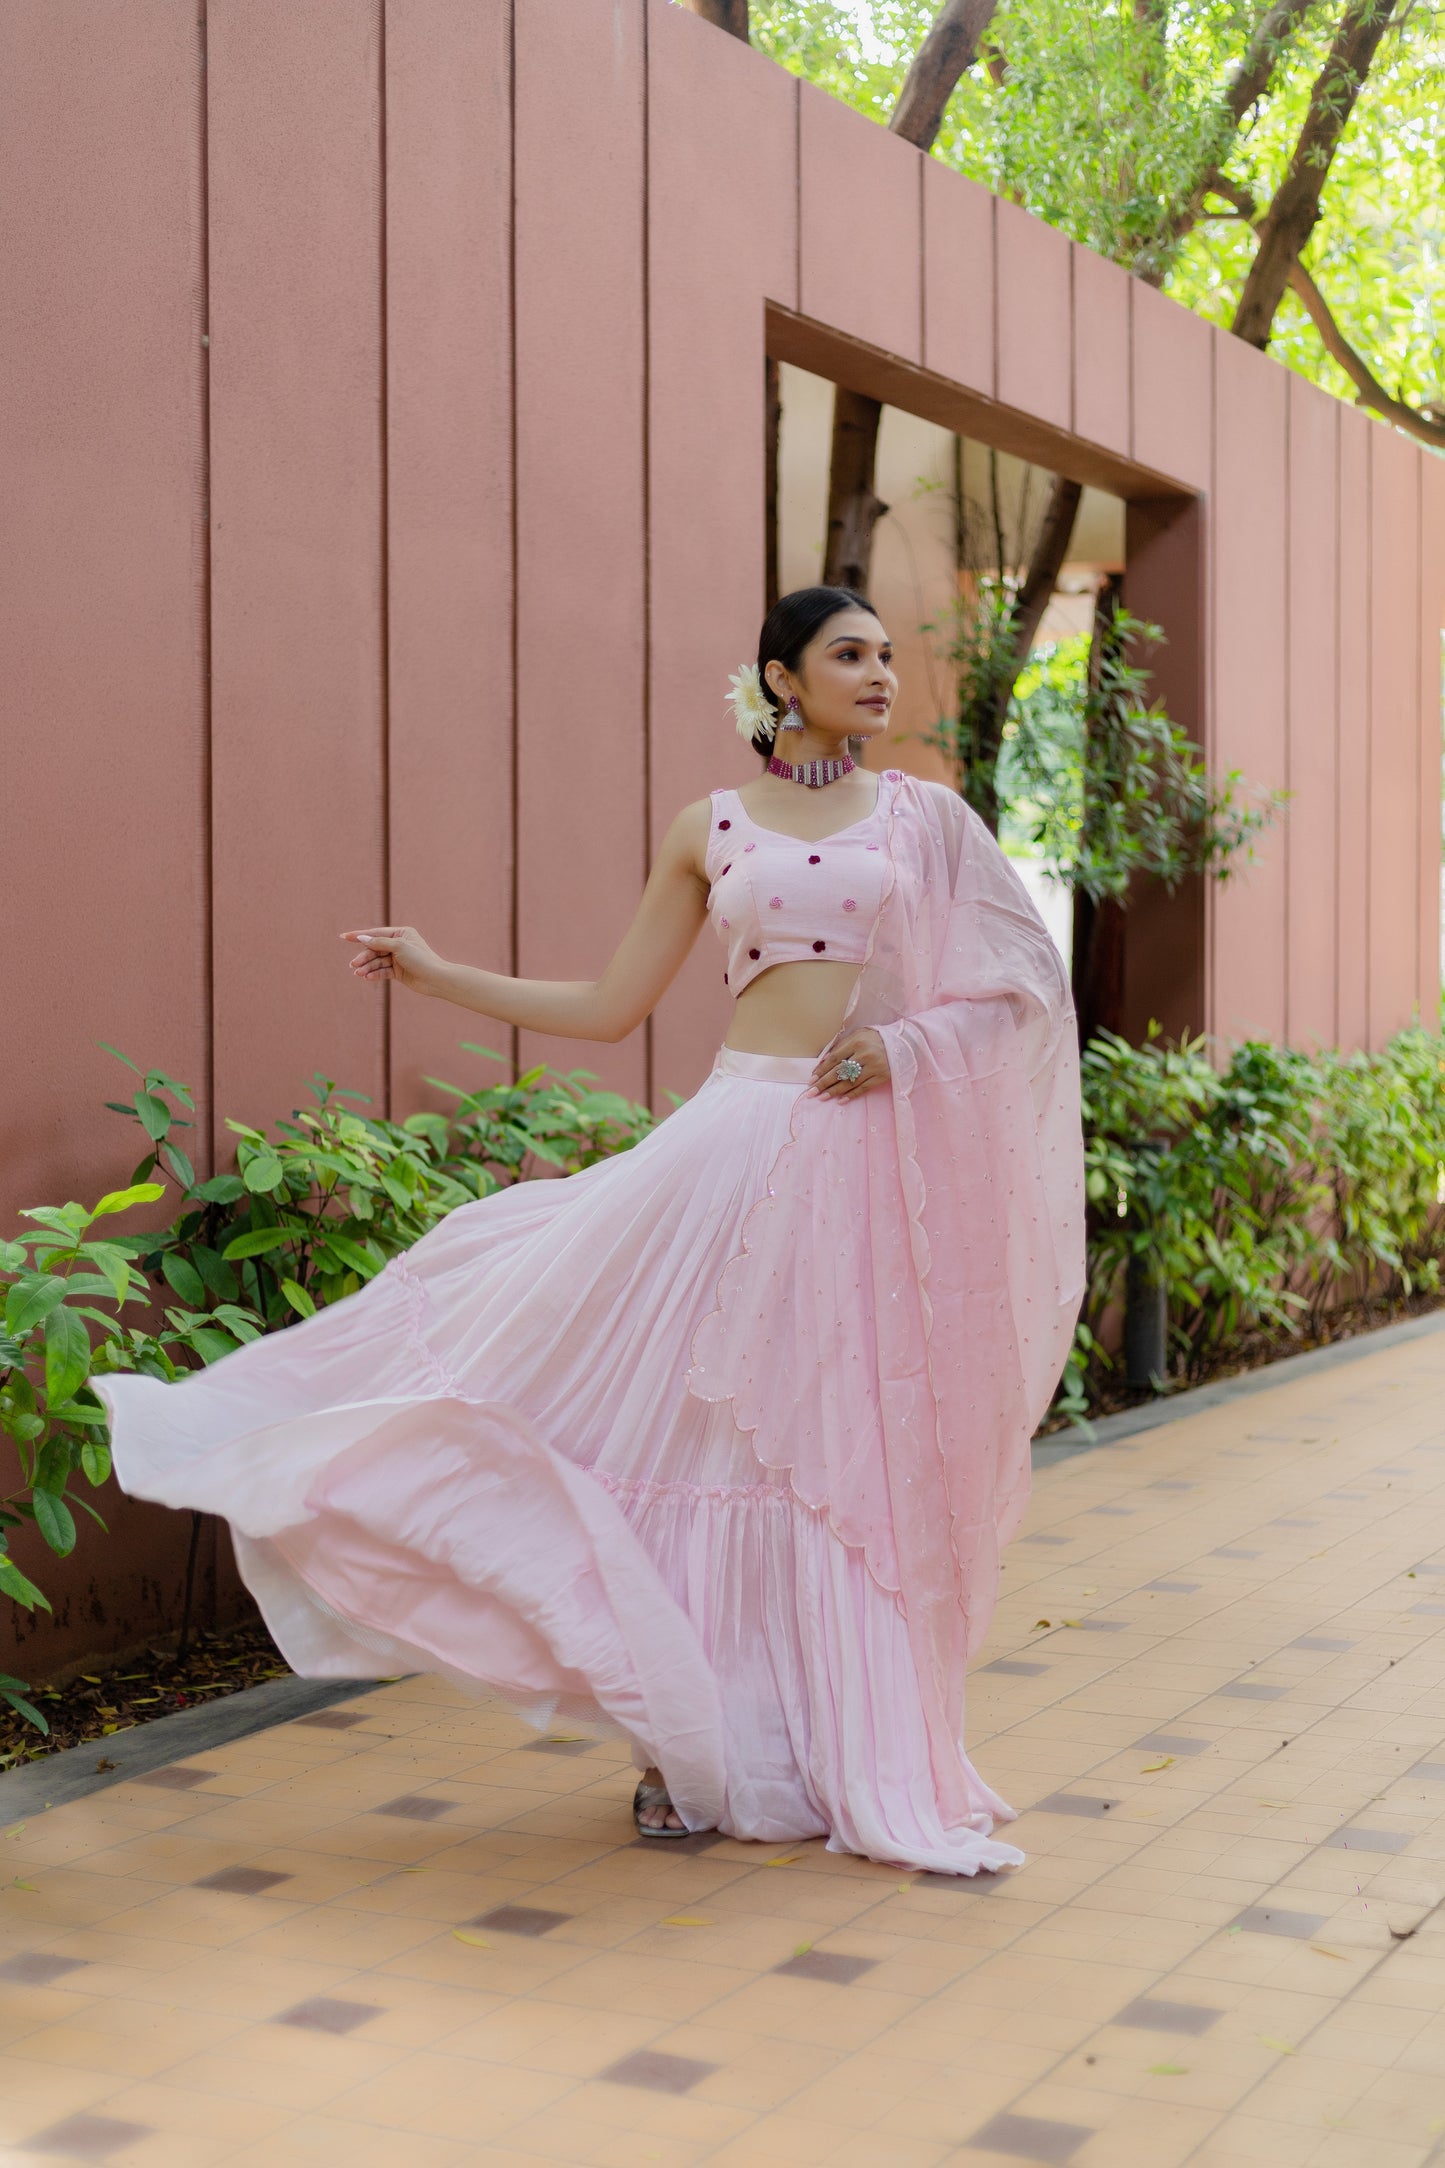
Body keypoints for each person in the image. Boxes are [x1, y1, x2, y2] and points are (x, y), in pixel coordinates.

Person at [96, 586, 1083, 1874]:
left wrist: (903, 1048)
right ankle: (688, 1753)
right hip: (730, 1149)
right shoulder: (711, 826)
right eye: (850, 654)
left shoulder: (925, 821)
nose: (882, 673)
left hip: (856, 1171)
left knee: (825, 1461)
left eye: (888, 655)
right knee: (680, 1433)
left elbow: (1019, 988)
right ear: (781, 679)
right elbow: (612, 1004)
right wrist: (439, 970)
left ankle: (836, 1752)